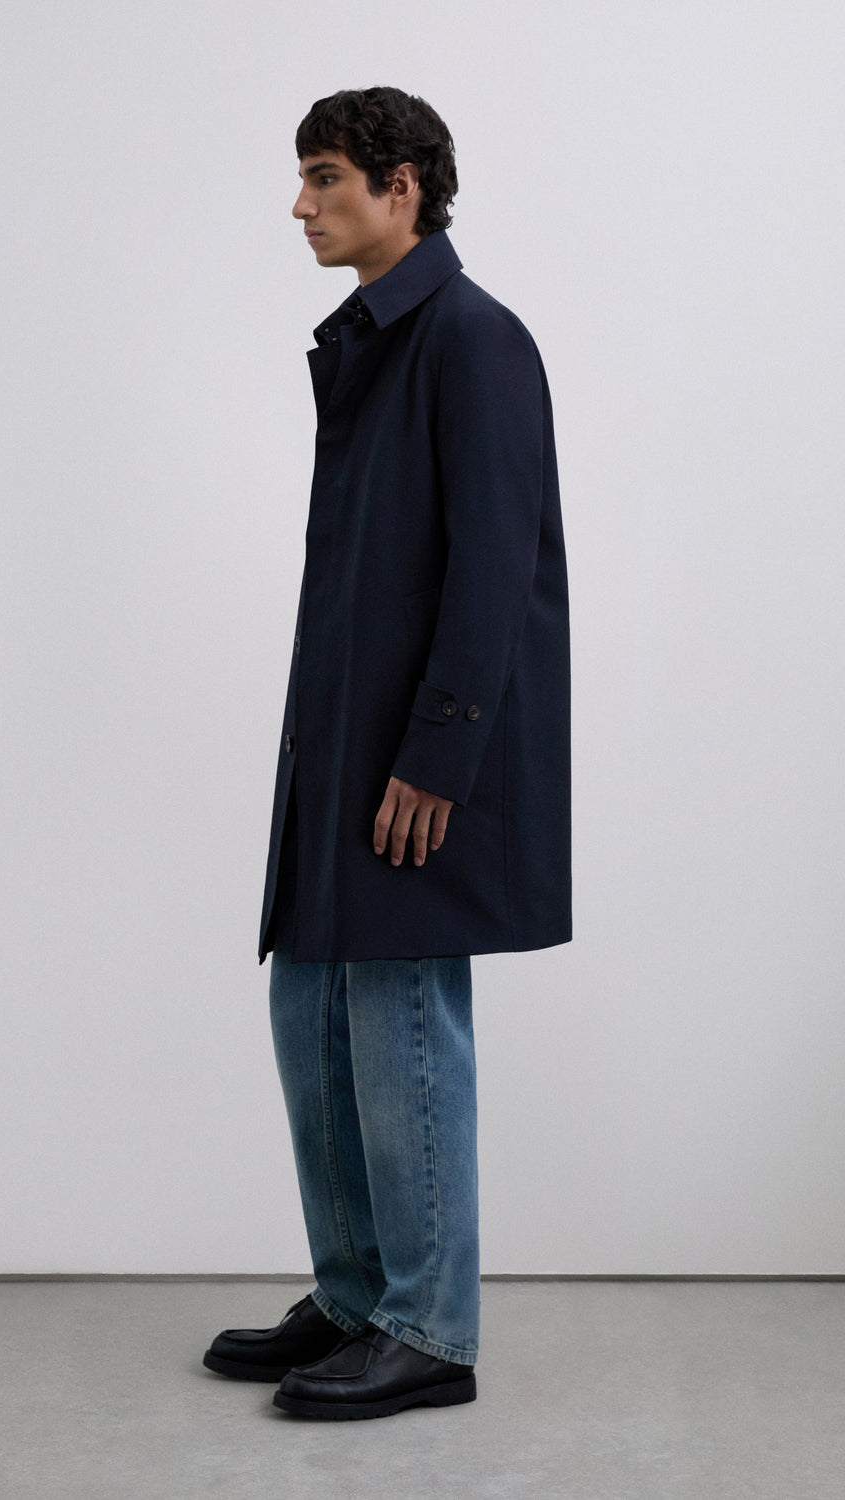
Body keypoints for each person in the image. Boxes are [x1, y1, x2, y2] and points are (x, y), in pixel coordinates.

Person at [204, 85, 571, 1420]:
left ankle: (427, 1327)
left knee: (401, 1015)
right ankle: (357, 1294)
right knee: (310, 1011)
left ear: (400, 185)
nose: (301, 206)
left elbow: (495, 568)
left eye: (324, 178)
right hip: (342, 751)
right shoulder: (376, 342)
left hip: (418, 765)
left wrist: (437, 754)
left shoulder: (472, 339)